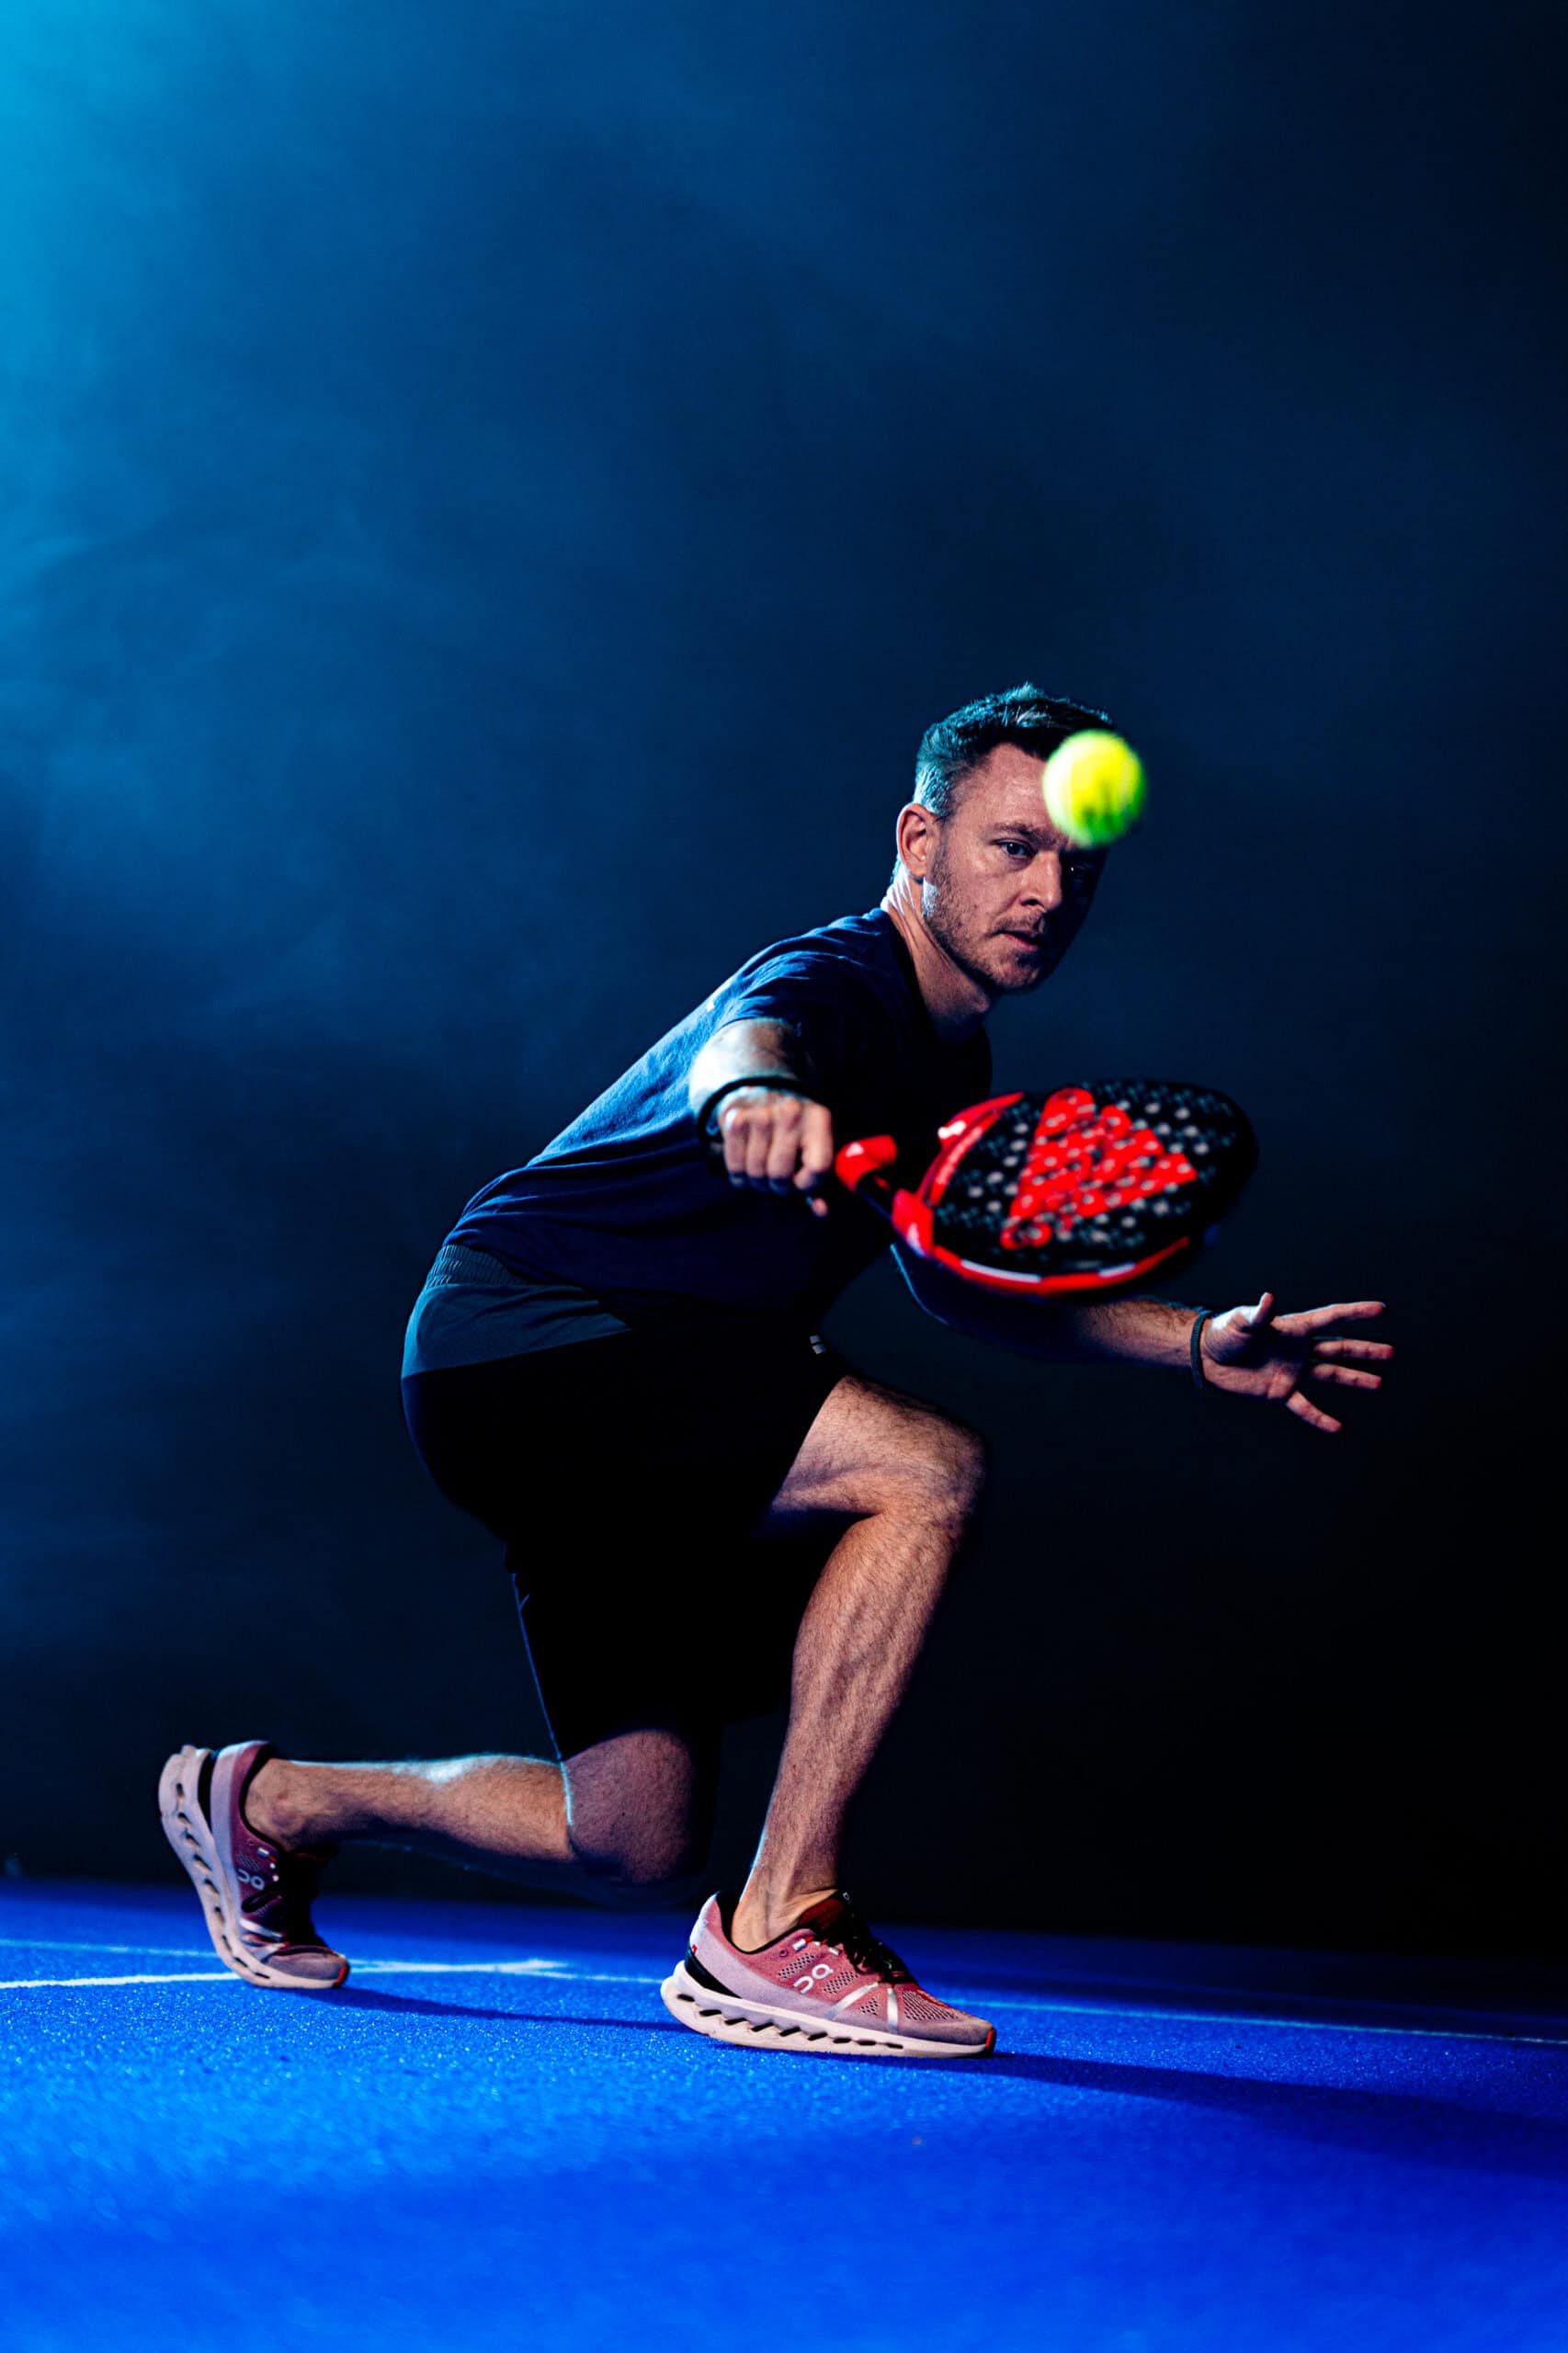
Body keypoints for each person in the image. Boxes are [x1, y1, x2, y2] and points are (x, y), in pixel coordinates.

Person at [159, 684, 1392, 2061]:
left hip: (593, 1380)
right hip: (536, 1341)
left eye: (1073, 864)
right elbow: (752, 1039)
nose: (1047, 891)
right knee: (925, 1469)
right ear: (918, 840)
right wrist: (753, 1098)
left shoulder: (950, 1061)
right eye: (1010, 847)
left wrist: (1198, 1340)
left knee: (626, 1840)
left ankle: (269, 1803)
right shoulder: (836, 983)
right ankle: (777, 1929)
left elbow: (955, 1282)